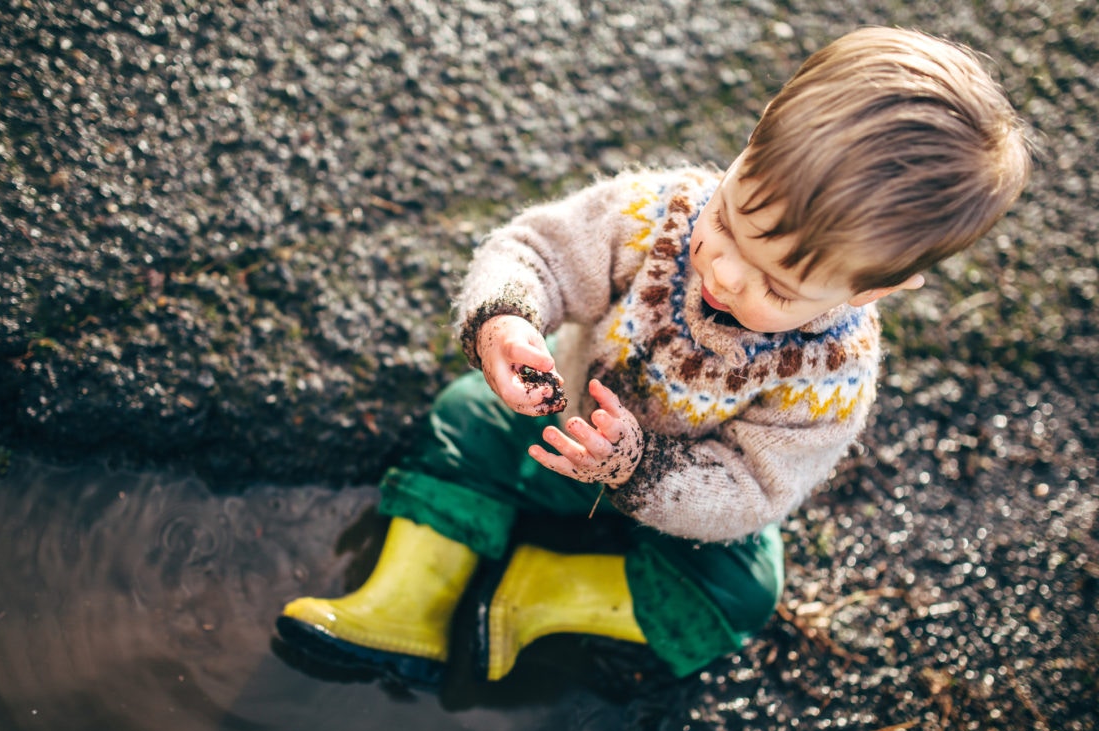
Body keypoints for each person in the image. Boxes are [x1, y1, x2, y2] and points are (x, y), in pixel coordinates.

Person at [276, 27, 1032, 687]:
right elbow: (537, 251)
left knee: (742, 594)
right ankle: (407, 603)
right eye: (729, 223)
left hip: (675, 499)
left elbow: (753, 489)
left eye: (776, 285)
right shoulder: (660, 212)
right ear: (752, 140)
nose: (725, 274)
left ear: (876, 288)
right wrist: (506, 318)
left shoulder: (829, 375)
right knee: (464, 419)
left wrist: (640, 470)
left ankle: (545, 593)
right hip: (557, 424)